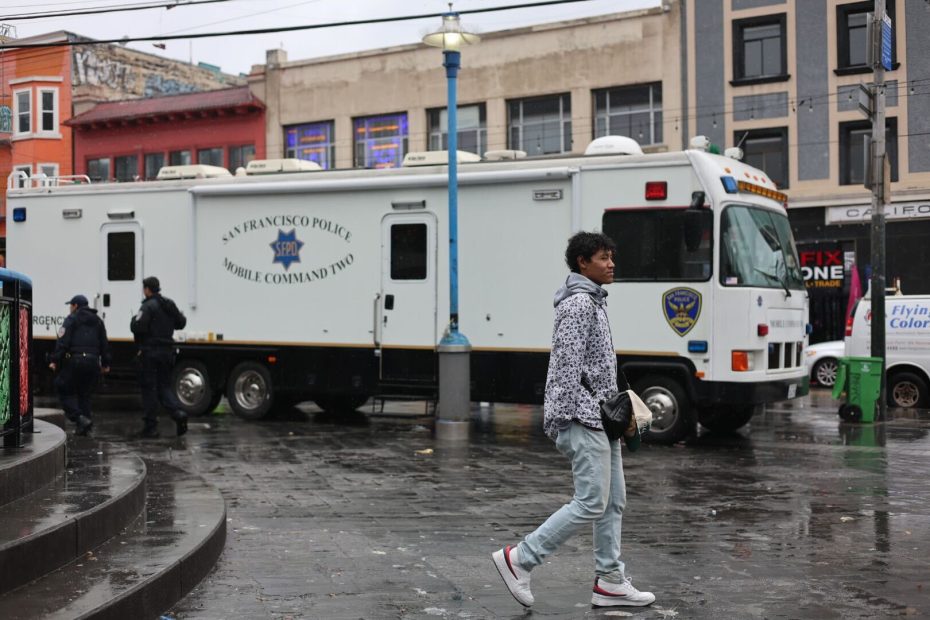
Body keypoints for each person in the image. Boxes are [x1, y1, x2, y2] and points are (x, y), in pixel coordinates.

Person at [491, 231, 655, 609]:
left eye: (612, 256)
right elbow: (563, 366)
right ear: (583, 263)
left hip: (602, 419)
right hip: (582, 417)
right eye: (603, 257)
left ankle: (611, 581)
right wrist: (560, 421)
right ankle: (520, 559)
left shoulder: (594, 301)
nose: (611, 263)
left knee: (613, 502)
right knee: (592, 501)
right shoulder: (579, 304)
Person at [130, 276, 188, 438]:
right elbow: (181, 323)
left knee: (149, 389)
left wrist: (133, 320)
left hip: (150, 352)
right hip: (167, 352)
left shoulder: (148, 306)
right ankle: (178, 413)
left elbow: (138, 327)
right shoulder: (168, 304)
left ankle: (151, 426)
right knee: (164, 387)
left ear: (147, 289)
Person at [49, 295, 110, 436]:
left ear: (75, 306)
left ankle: (79, 418)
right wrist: (106, 363)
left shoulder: (72, 319)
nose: (70, 308)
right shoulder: (98, 321)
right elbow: (104, 344)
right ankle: (85, 427)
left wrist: (54, 360)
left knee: (62, 387)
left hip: (76, 360)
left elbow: (63, 342)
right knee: (85, 394)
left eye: (71, 305)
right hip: (93, 362)